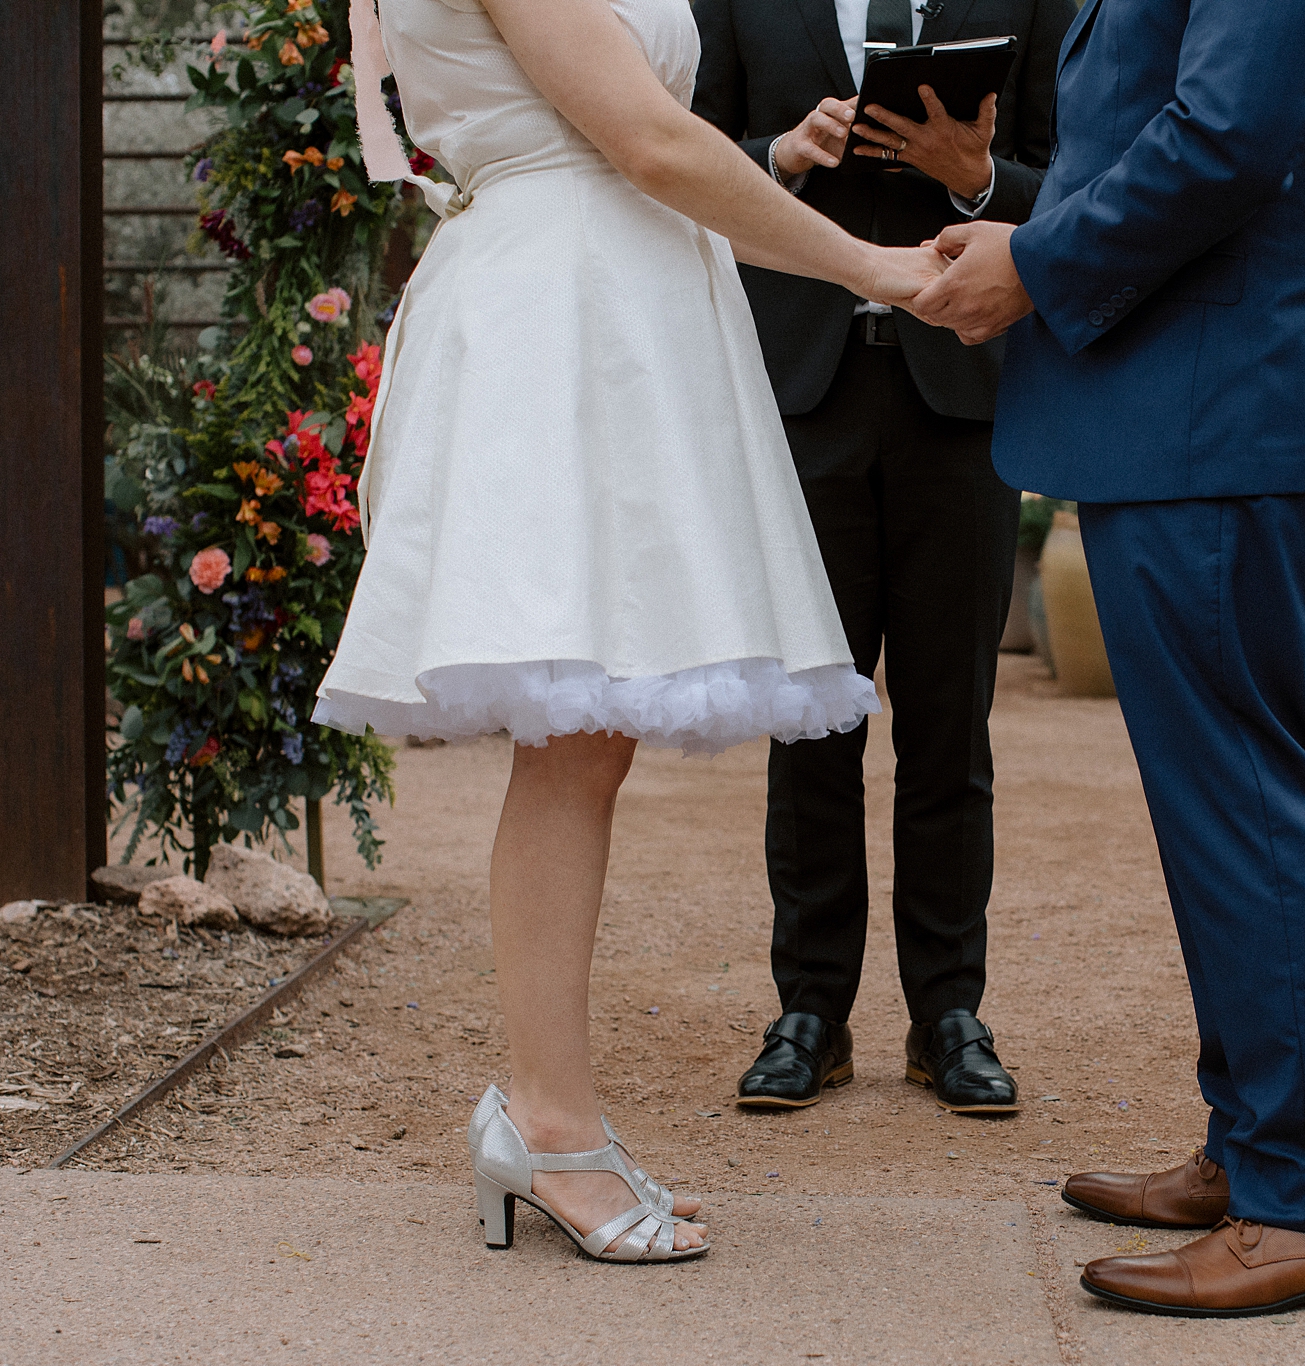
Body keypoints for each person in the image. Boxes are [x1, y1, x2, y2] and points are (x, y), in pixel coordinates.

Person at [317, 0, 948, 1263]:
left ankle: (547, 1117)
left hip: (611, 307)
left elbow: (649, 139)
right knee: (573, 733)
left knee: (587, 737)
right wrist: (873, 267)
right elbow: (650, 144)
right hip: (554, 325)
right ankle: (550, 1129)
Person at [912, 0, 1305, 1318]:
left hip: (1232, 404)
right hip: (1194, 408)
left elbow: (1232, 132)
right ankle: (1260, 1145)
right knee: (1222, 809)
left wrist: (1034, 262)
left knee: (1246, 807)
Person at [691, 0, 1070, 1116]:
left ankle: (948, 1011)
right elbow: (680, 156)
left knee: (951, 725)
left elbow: (1072, 188)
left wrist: (975, 177)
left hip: (958, 399)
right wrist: (779, 159)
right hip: (800, 399)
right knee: (806, 718)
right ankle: (808, 1010)